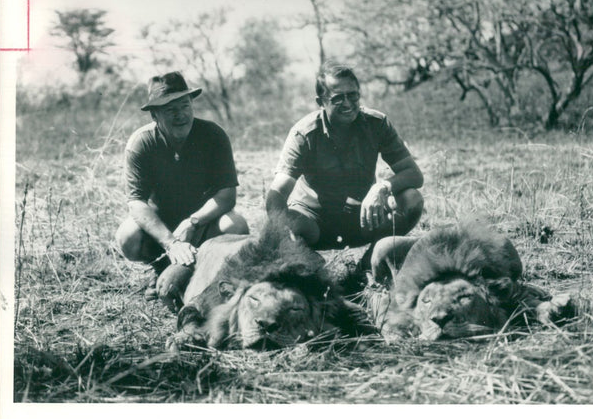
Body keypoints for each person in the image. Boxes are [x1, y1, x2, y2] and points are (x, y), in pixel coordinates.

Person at [115, 71, 248, 304]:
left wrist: (193, 222)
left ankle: (208, 271)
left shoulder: (213, 135)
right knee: (127, 236)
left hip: (203, 223)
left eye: (185, 106)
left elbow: (226, 196)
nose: (180, 115)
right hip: (161, 230)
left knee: (235, 225)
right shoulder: (141, 143)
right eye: (170, 110)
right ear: (154, 115)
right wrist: (171, 242)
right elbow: (136, 203)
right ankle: (160, 267)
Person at [266, 61, 424, 252]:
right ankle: (306, 262)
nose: (347, 103)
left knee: (412, 198)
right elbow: (277, 194)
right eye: (338, 98)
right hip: (314, 222)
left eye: (353, 95)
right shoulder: (303, 133)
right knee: (282, 222)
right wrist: (287, 239)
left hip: (364, 218)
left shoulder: (377, 124)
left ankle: (371, 262)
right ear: (321, 102)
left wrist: (381, 188)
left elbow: (414, 174)